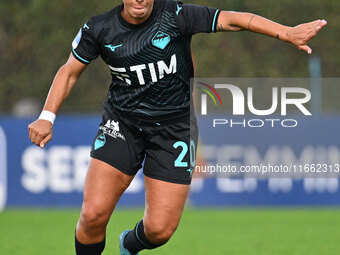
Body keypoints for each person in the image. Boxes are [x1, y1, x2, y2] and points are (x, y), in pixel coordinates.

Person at [28, 0, 327, 254]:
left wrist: (285, 33)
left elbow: (233, 20)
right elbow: (69, 72)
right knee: (92, 215)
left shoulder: (176, 14)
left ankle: (128, 245)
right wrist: (47, 116)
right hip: (123, 125)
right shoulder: (99, 28)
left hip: (174, 131)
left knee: (159, 231)